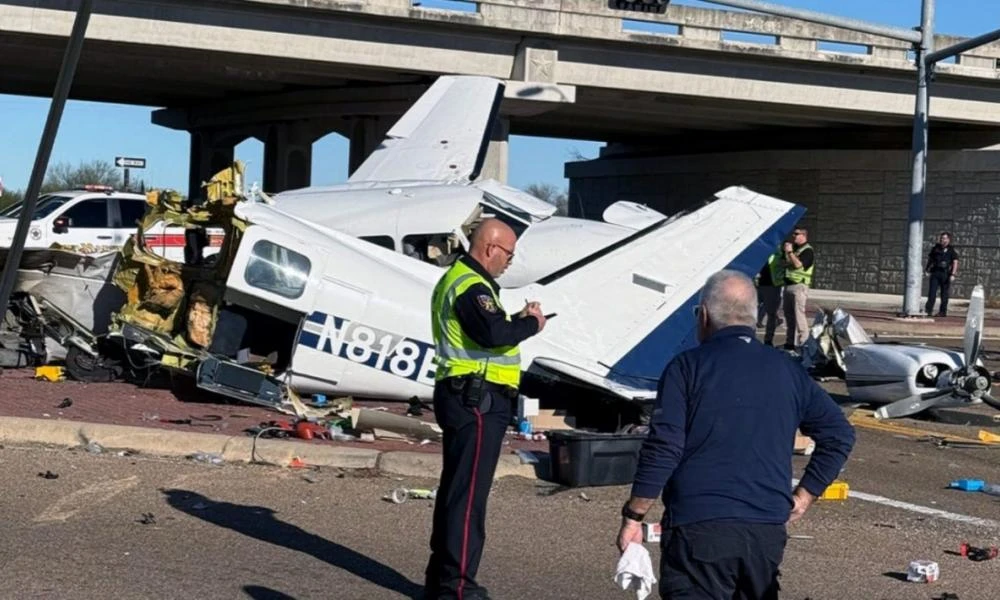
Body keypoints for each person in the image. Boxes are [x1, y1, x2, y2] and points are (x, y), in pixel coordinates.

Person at [616, 269, 855, 599]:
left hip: (699, 526)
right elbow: (839, 434)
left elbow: (665, 447)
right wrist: (805, 494)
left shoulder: (686, 367)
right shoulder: (788, 369)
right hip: (765, 530)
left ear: (703, 316)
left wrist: (634, 514)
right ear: (754, 318)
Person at [423, 218, 547, 600]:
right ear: (490, 248)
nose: (509, 262)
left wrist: (514, 320)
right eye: (508, 253)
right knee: (468, 497)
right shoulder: (470, 285)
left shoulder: (464, 282)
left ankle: (442, 582)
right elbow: (493, 334)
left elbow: (488, 328)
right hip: (476, 399)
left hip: (467, 395)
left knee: (457, 491)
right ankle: (457, 588)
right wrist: (530, 324)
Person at [782, 227, 814, 350]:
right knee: (789, 317)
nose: (793, 236)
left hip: (799, 286)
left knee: (799, 316)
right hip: (788, 285)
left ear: (804, 235)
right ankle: (790, 343)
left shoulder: (808, 251)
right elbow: (786, 264)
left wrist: (790, 253)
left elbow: (798, 265)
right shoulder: (797, 250)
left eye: (796, 234)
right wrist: (788, 254)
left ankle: (804, 344)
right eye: (793, 234)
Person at [925, 231, 959, 317]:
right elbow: (930, 259)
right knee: (932, 293)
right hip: (935, 272)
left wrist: (953, 274)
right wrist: (927, 270)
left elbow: (955, 262)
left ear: (948, 240)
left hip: (945, 274)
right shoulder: (936, 248)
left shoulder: (951, 250)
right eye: (941, 238)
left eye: (944, 238)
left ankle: (942, 312)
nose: (942, 240)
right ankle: (928, 310)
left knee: (944, 294)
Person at [756, 247, 784, 346]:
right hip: (759, 284)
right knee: (750, 311)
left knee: (771, 314)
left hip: (772, 285)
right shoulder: (759, 251)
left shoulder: (778, 252)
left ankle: (768, 340)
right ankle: (750, 337)